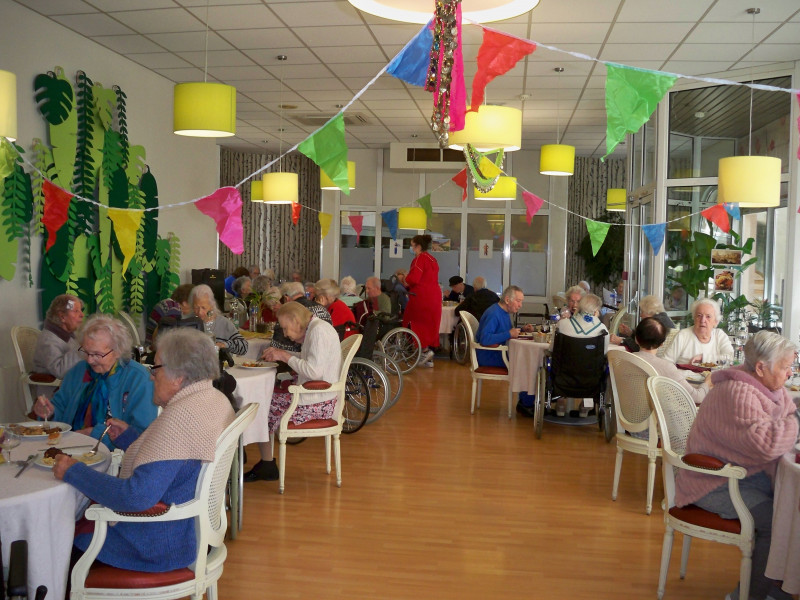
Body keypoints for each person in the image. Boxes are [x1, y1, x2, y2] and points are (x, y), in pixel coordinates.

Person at [54, 328, 235, 572]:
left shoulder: (181, 419)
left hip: (156, 544)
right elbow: (173, 461)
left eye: (156, 368)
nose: (151, 377)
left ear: (178, 377)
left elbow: (136, 497)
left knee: (61, 536)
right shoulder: (212, 399)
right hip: (185, 530)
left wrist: (74, 472)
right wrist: (130, 438)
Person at [675, 331, 798, 600]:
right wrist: (796, 420)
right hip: (713, 482)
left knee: (792, 509)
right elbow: (767, 443)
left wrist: (793, 417)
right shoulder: (738, 392)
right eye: (786, 367)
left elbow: (788, 413)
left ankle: (775, 586)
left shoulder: (768, 387)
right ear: (761, 368)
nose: (790, 373)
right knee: (777, 522)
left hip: (745, 475)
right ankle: (750, 595)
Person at [246, 302, 342, 482]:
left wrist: (285, 356)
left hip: (318, 403)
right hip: (319, 397)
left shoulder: (318, 331)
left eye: (285, 328)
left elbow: (314, 371)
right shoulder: (316, 328)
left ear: (296, 321)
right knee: (264, 399)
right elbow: (310, 361)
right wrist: (281, 353)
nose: (285, 334)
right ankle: (264, 462)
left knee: (260, 404)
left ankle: (265, 464)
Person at [33, 314, 157, 449]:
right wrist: (49, 412)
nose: (90, 360)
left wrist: (96, 435)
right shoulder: (79, 371)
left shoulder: (138, 379)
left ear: (118, 351)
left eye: (97, 354)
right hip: (69, 447)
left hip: (113, 454)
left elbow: (142, 436)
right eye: (86, 352)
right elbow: (59, 408)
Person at [552, 293, 609, 417]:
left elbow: (552, 350)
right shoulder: (602, 330)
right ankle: (586, 405)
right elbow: (603, 354)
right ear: (596, 311)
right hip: (591, 381)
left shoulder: (562, 325)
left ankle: (560, 403)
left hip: (563, 378)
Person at [633, 317, 710, 404]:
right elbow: (698, 397)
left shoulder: (622, 359)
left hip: (628, 411)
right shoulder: (666, 367)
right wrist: (707, 383)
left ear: (636, 339)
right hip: (659, 412)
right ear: (662, 344)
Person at [402, 234, 442, 368]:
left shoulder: (419, 259)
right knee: (430, 325)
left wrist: (405, 279)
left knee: (416, 323)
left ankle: (424, 351)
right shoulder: (433, 259)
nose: (411, 248)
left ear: (418, 246)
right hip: (435, 296)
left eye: (412, 245)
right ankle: (428, 358)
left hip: (421, 296)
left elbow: (414, 279)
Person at [32, 294, 84, 390]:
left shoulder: (70, 336)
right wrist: (82, 346)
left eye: (81, 310)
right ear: (62, 316)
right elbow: (60, 371)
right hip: (54, 393)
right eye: (76, 311)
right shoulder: (48, 340)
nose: (82, 315)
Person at [263, 282, 331, 354]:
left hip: (291, 358)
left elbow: (276, 346)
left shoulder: (288, 312)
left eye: (282, 300)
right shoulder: (322, 309)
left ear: (286, 298)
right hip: (325, 353)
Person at [662, 298, 734, 365]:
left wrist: (704, 358)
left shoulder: (719, 335)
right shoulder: (683, 335)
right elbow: (665, 363)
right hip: (685, 374)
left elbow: (730, 358)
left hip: (715, 375)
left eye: (708, 316)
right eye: (699, 315)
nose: (703, 320)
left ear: (716, 321)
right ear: (694, 318)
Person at [190, 284, 248, 355]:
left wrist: (224, 345)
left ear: (212, 305)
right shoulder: (190, 324)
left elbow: (244, 346)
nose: (200, 312)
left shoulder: (223, 323)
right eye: (196, 307)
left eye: (203, 308)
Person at [610, 294, 675, 349]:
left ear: (650, 312)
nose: (640, 315)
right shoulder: (663, 319)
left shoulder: (654, 324)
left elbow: (641, 346)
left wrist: (621, 341)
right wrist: (630, 333)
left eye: (643, 312)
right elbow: (644, 339)